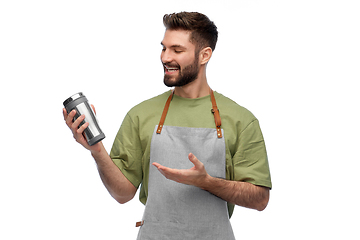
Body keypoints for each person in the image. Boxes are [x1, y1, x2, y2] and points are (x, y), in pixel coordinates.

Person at [63, 11, 272, 240]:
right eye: (164, 48)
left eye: (177, 50)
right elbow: (122, 194)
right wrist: (96, 150)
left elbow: (260, 200)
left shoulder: (240, 119)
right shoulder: (141, 115)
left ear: (204, 55)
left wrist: (207, 182)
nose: (165, 57)